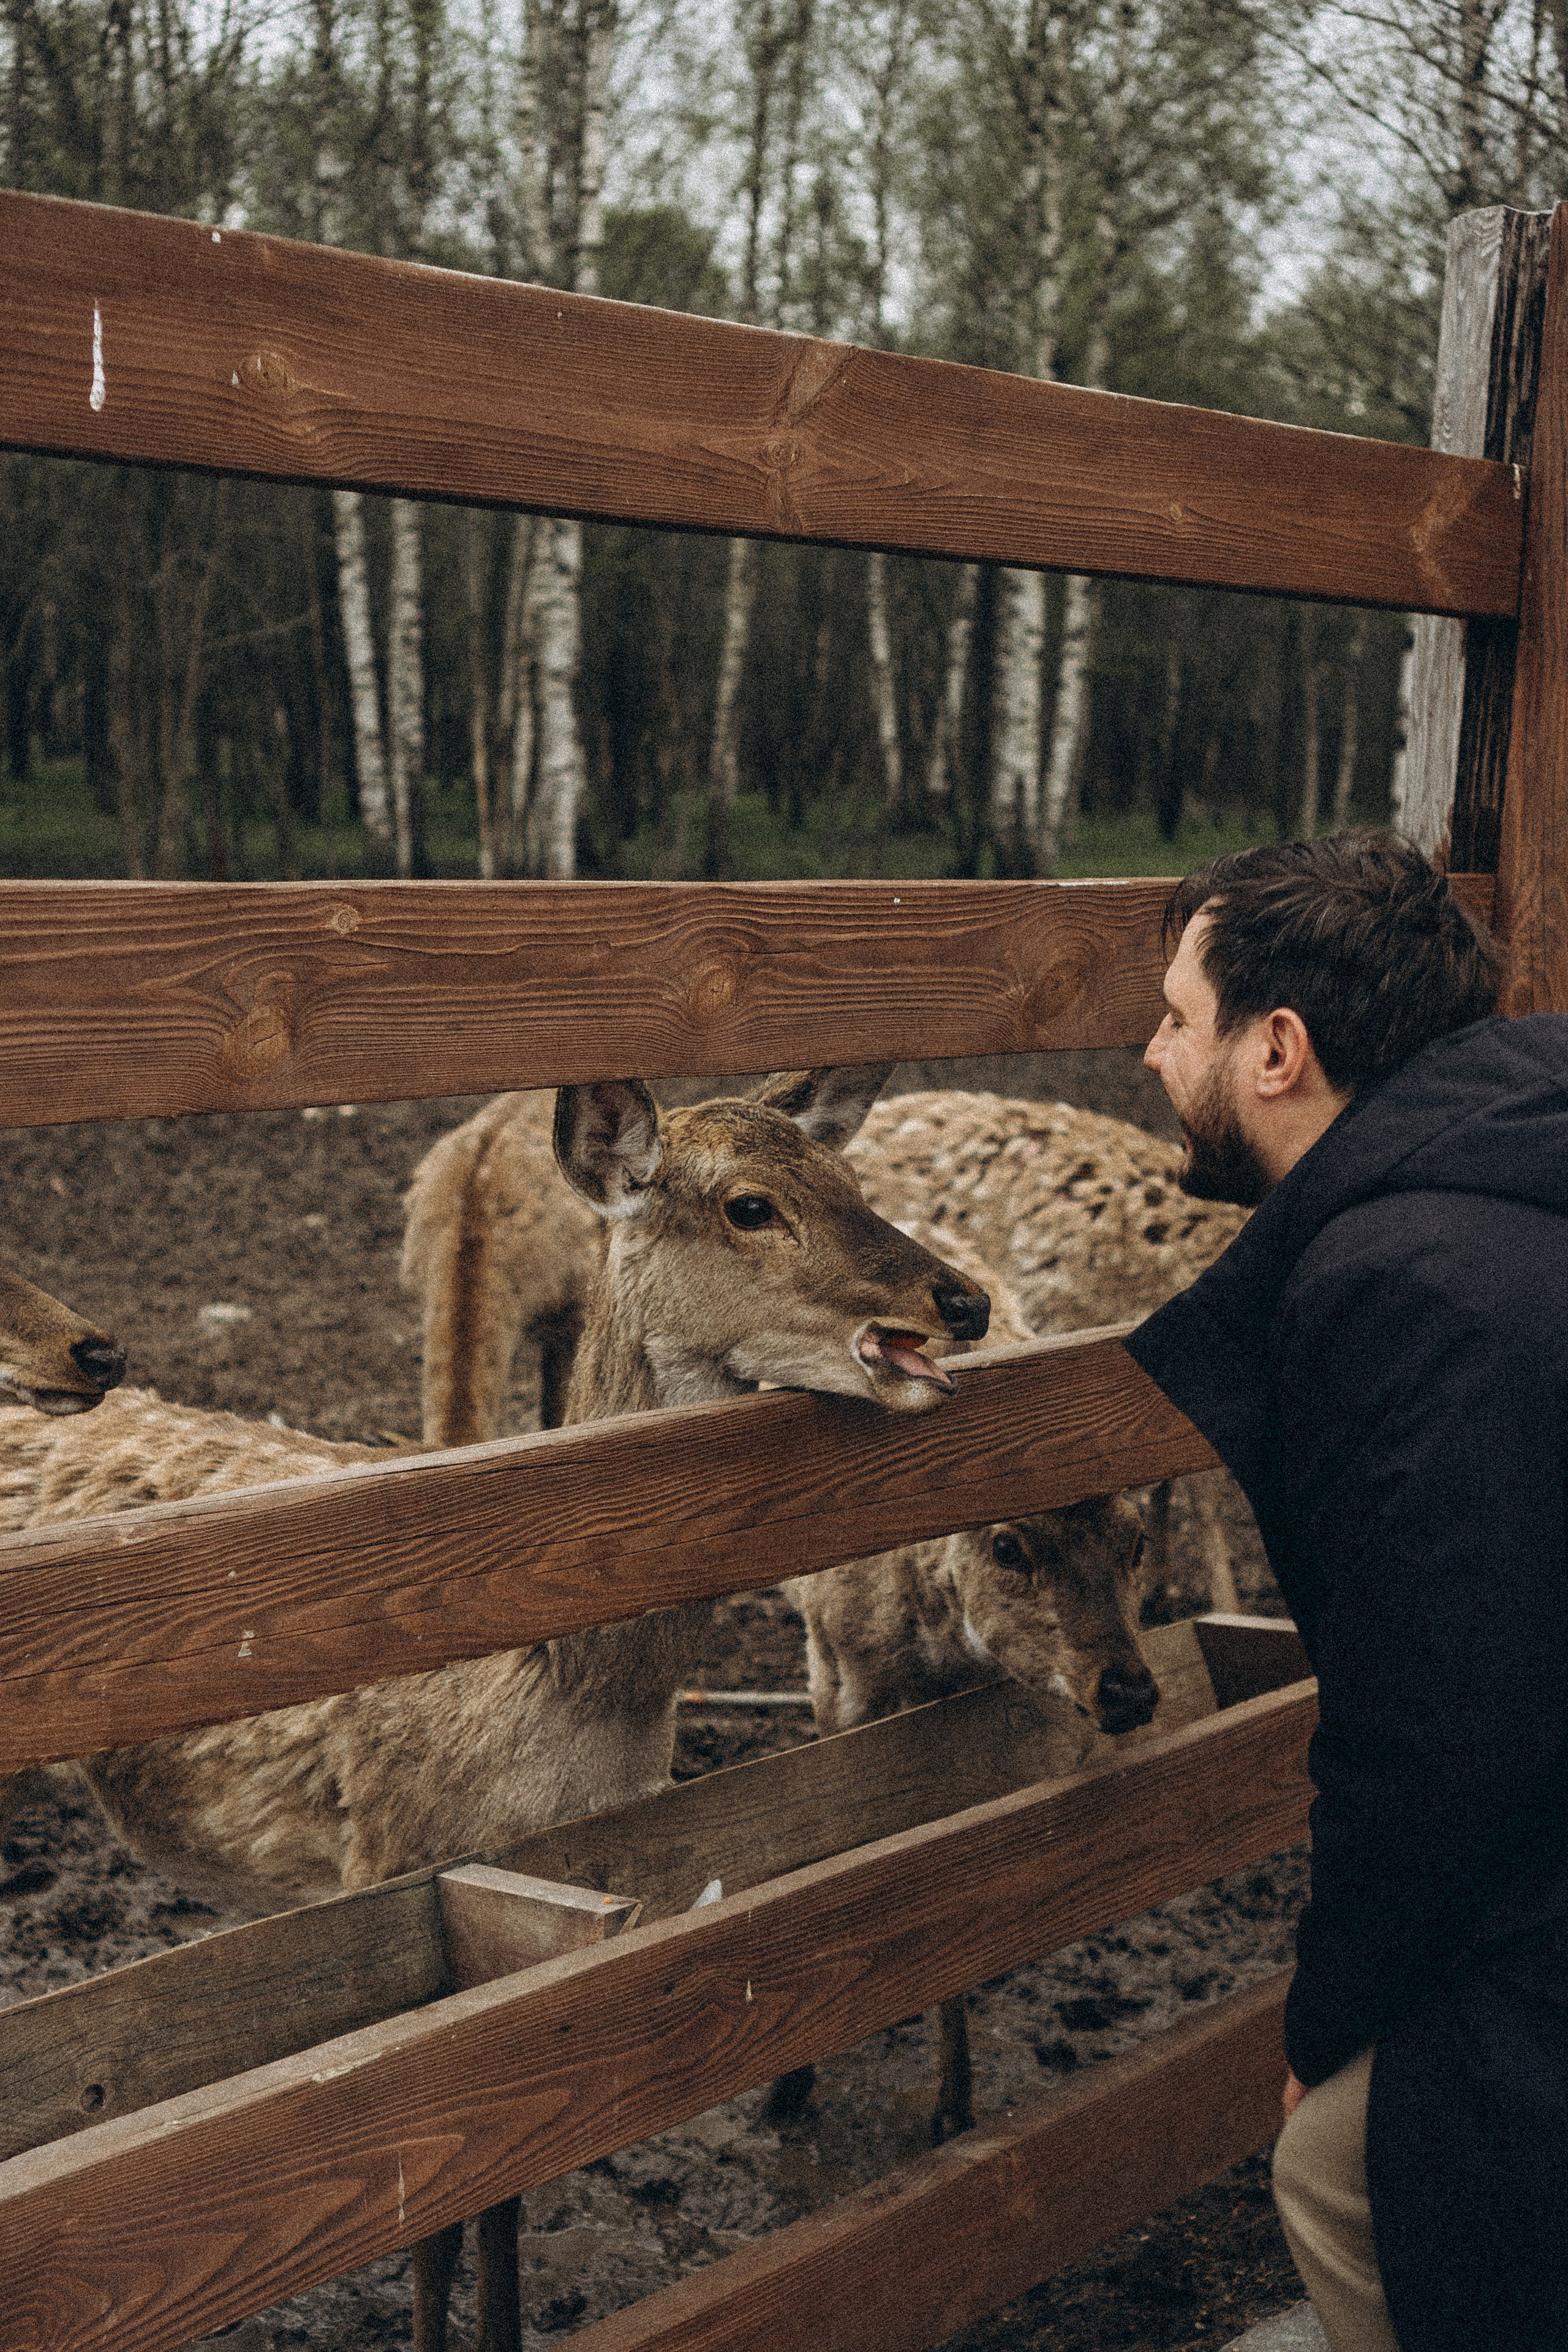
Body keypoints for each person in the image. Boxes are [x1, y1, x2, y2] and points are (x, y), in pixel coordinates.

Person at [1128, 832, 1568, 2352]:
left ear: (1277, 1050)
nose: (1148, 1049)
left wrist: (1329, 2030)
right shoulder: (1517, 1173)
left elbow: (1440, 1737)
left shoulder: (1399, 1291)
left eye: (1176, 1018)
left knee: (1338, 2162)